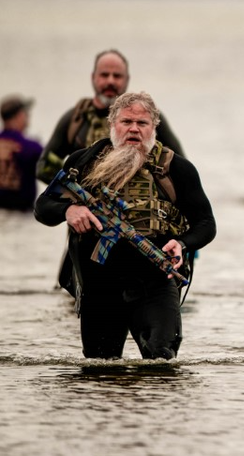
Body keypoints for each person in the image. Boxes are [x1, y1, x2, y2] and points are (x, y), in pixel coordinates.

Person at [34, 92, 216, 359]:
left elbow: (206, 223)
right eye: (126, 121)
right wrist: (69, 210)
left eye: (142, 123)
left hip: (156, 280)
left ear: (154, 128)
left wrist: (183, 243)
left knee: (161, 360)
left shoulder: (176, 168)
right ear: (112, 125)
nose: (133, 129)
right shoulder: (83, 162)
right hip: (99, 283)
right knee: (100, 367)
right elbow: (43, 207)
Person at [36, 49, 185, 184]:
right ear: (93, 78)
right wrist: (75, 189)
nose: (110, 81)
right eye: (104, 75)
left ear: (127, 79)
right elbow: (44, 167)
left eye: (117, 76)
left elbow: (181, 166)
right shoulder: (75, 119)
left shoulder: (148, 118)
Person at [0, 95, 44, 212]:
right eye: (26, 113)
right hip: (22, 215)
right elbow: (55, 175)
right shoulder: (32, 147)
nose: (28, 117)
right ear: (19, 115)